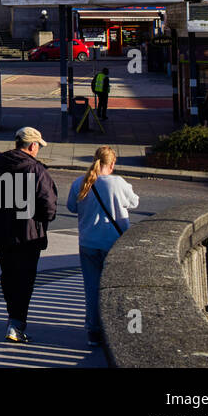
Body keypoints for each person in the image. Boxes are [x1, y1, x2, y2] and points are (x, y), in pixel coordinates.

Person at [0, 126, 57, 344]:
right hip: (28, 234)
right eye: (38, 146)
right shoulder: (36, 170)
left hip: (0, 231)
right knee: (25, 278)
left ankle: (12, 317)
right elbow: (49, 207)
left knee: (8, 274)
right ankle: (16, 323)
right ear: (32, 146)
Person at [67, 146, 139, 347]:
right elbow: (134, 202)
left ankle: (94, 331)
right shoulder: (118, 183)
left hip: (88, 243)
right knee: (116, 287)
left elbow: (72, 207)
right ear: (112, 164)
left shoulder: (79, 183)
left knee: (91, 288)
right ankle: (116, 327)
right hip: (113, 243)